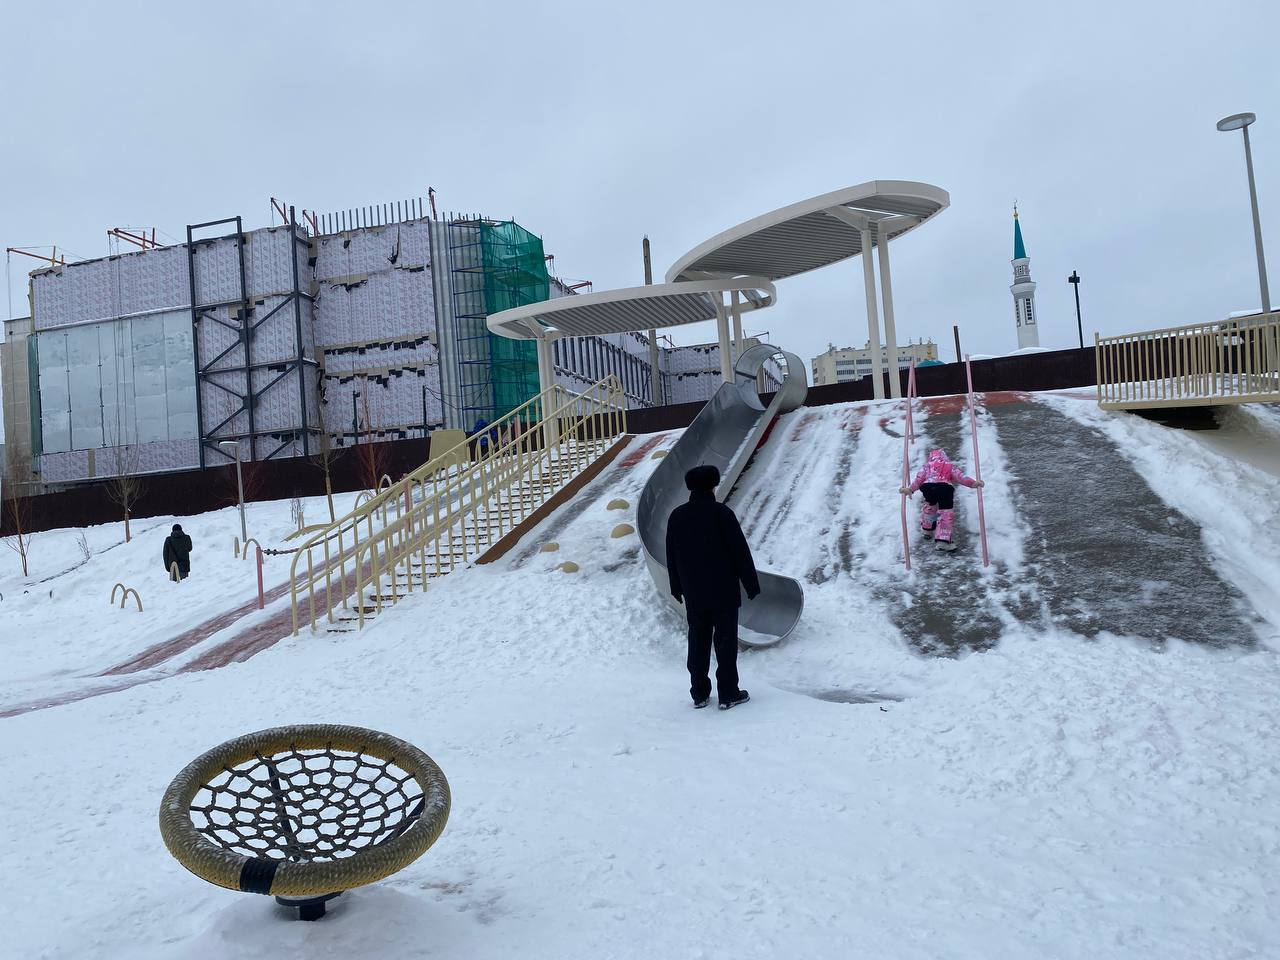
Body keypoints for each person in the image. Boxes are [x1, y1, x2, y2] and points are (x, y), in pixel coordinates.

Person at [664, 464, 760, 710]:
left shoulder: (677, 516)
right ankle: (728, 693)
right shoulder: (722, 514)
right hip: (724, 591)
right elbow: (740, 552)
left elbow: (671, 555)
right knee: (725, 642)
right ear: (713, 485)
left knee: (698, 639)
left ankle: (699, 693)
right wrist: (751, 584)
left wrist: (676, 586)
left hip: (694, 592)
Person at [900, 449, 985, 551]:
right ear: (944, 457)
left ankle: (927, 528)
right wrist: (973, 483)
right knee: (945, 513)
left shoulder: (927, 466)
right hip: (944, 489)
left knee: (930, 505)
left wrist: (910, 489)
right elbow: (960, 477)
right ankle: (942, 540)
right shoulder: (949, 465)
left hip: (928, 487)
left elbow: (918, 480)